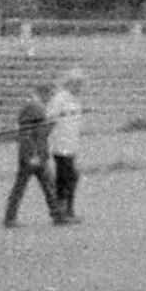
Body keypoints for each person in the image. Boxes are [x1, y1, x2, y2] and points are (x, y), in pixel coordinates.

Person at [2, 81, 55, 227]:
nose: (50, 99)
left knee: (43, 184)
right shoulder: (35, 108)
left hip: (32, 154)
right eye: (49, 95)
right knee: (43, 185)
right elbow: (32, 134)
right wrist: (33, 155)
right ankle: (57, 214)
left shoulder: (33, 106)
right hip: (33, 155)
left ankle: (10, 217)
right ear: (44, 93)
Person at [44, 67, 86, 222]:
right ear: (71, 83)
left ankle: (68, 209)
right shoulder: (59, 99)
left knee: (72, 177)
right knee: (65, 178)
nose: (80, 88)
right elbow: (49, 120)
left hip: (71, 145)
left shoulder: (75, 100)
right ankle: (61, 213)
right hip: (60, 146)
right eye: (78, 84)